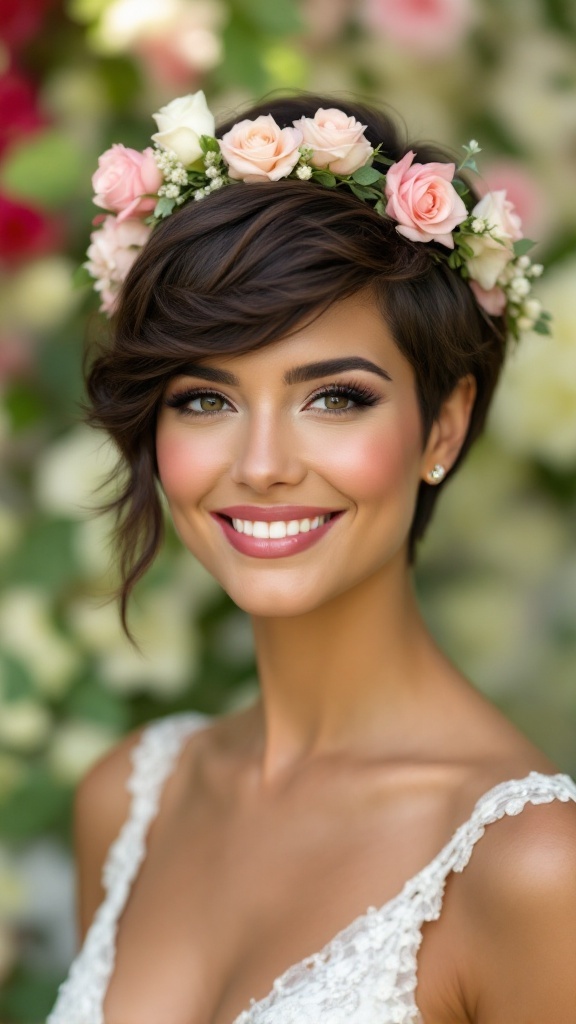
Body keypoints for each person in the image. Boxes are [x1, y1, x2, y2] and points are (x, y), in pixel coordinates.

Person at [48, 92, 576, 1024]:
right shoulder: (132, 803)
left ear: (442, 424)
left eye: (334, 397)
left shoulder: (535, 867)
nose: (261, 466)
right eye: (205, 400)